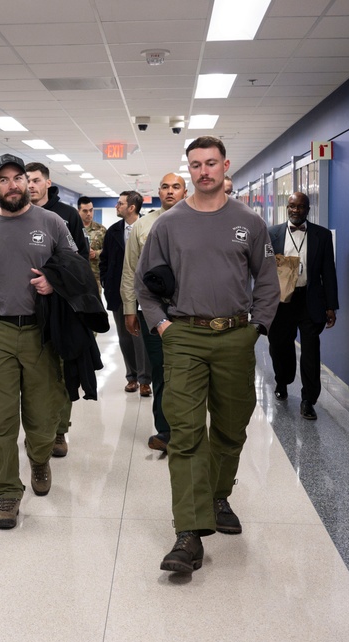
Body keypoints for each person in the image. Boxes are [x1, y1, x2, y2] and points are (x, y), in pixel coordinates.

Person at [135, 136, 279, 574]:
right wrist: (163, 326)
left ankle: (218, 496)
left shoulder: (249, 223)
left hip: (236, 336)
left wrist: (256, 328)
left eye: (211, 163)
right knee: (186, 431)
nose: (203, 172)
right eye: (195, 165)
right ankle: (188, 534)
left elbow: (268, 282)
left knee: (232, 427)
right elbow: (145, 285)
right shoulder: (168, 224)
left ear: (224, 166)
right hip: (185, 337)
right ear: (189, 170)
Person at [0, 154, 77, 530]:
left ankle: (39, 457)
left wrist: (52, 281)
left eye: (19, 178)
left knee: (43, 417)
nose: (13, 185)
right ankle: (7, 490)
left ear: (29, 183)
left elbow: (76, 271)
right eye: (4, 179)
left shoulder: (53, 223)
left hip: (41, 333)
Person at [25, 161, 88, 457]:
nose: (31, 185)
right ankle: (38, 431)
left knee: (61, 373)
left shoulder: (67, 216)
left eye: (36, 180)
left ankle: (60, 431)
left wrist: (56, 281)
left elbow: (79, 263)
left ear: (48, 182)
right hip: (25, 310)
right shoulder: (15, 215)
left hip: (61, 308)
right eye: (27, 180)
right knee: (35, 378)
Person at [120, 173, 187, 452]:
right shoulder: (143, 225)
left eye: (176, 187)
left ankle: (188, 428)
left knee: (187, 372)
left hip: (190, 311)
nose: (170, 191)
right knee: (160, 370)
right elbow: (130, 270)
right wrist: (129, 308)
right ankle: (164, 429)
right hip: (153, 309)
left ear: (185, 191)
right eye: (165, 186)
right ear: (157, 191)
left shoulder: (197, 221)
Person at [268, 191, 338, 420]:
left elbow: (328, 273)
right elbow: (263, 271)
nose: (295, 210)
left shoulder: (322, 235)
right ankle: (282, 380)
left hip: (310, 301)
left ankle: (309, 399)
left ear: (308, 209)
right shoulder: (272, 234)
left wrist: (331, 306)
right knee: (280, 346)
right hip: (282, 301)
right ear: (286, 208)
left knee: (310, 352)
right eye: (291, 206)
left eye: (300, 207)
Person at [103, 191, 151, 397]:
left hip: (142, 292)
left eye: (120, 203)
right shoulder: (113, 231)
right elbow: (105, 260)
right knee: (124, 337)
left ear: (132, 207)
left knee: (140, 337)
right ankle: (131, 377)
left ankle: (144, 380)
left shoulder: (149, 227)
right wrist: (106, 282)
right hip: (118, 291)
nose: (116, 206)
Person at [78, 196, 106, 291]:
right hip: (77, 274)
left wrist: (96, 253)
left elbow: (108, 251)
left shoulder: (101, 229)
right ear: (78, 211)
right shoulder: (73, 229)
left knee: (95, 304)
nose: (89, 214)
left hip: (95, 276)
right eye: (85, 211)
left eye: (91, 210)